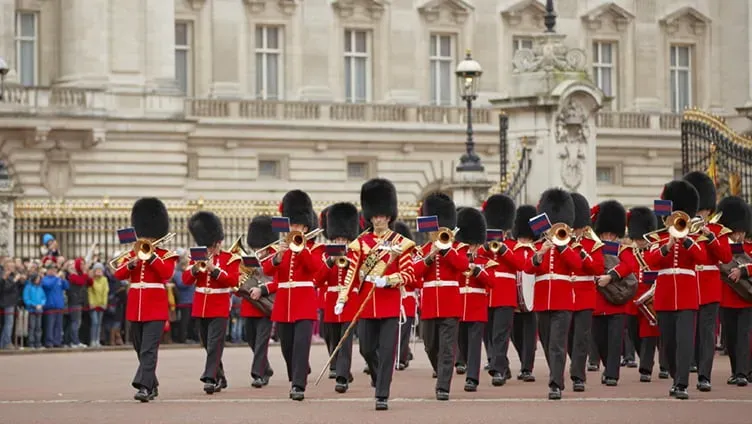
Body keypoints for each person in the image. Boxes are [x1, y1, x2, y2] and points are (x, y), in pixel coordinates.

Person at [334, 178, 416, 411]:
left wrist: (388, 280)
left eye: (382, 215)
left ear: (389, 216)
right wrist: (342, 298)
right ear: (369, 216)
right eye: (375, 215)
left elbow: (409, 274)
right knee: (366, 349)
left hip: (389, 304)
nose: (378, 219)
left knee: (388, 350)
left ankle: (382, 393)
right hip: (366, 306)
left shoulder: (402, 243)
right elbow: (351, 274)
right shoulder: (360, 244)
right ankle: (380, 378)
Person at [249, 190, 323, 401]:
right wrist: (278, 257)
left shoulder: (315, 248)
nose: (294, 229)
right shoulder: (278, 248)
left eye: (298, 226)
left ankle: (298, 385)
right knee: (287, 347)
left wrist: (301, 250)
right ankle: (297, 374)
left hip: (304, 302)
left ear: (306, 227)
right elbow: (268, 271)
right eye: (292, 225)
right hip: (283, 304)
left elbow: (315, 268)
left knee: (301, 345)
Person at [643, 180, 706, 399]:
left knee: (685, 340)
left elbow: (702, 257)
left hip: (687, 295)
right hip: (666, 295)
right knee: (668, 343)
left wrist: (686, 240)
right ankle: (674, 375)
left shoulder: (694, 237)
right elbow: (650, 260)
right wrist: (668, 245)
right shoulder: (659, 237)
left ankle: (682, 383)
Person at [112, 197, 178, 403]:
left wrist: (151, 257)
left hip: (155, 308)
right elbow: (118, 275)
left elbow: (166, 274)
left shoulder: (166, 254)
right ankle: (153, 383)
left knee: (149, 349)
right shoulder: (131, 253)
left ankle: (144, 387)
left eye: (150, 235)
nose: (146, 239)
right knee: (140, 348)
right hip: (135, 307)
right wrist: (131, 264)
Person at [524, 188, 581, 400]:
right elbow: (527, 267)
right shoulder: (539, 245)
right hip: (542, 302)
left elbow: (577, 264)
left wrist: (561, 247)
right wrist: (540, 253)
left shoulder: (569, 245)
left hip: (563, 300)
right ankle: (556, 374)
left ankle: (555, 384)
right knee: (548, 344)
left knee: (557, 344)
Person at [412, 192, 468, 401]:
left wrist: (445, 250)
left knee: (447, 347)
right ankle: (441, 370)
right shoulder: (423, 249)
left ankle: (443, 385)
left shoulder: (456, 248)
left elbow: (463, 266)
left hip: (450, 302)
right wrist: (430, 255)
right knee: (429, 344)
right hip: (429, 304)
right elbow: (415, 273)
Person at [683, 171, 732, 391]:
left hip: (710, 286)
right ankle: (685, 369)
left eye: (703, 210)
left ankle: (705, 376)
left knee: (707, 334)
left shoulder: (718, 231)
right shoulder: (684, 230)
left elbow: (726, 257)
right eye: (697, 209)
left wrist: (709, 236)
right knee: (688, 332)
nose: (700, 213)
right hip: (690, 286)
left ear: (709, 210)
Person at [183, 211, 240, 394]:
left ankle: (210, 378)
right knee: (208, 344)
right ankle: (220, 376)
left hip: (220, 305)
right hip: (201, 305)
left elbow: (233, 281)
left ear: (218, 242)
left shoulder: (230, 258)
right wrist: (194, 268)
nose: (209, 249)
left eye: (211, 245)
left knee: (215, 344)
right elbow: (185, 280)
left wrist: (214, 269)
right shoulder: (196, 258)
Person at [454, 207, 498, 392]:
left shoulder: (485, 259)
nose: (470, 247)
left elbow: (492, 281)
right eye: (468, 243)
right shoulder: (456, 258)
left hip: (477, 306)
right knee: (462, 344)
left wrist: (478, 269)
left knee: (474, 345)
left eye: (473, 244)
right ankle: (461, 363)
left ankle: (472, 378)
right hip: (459, 305)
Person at [592, 200, 635, 386]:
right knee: (600, 340)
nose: (608, 236)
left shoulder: (622, 249)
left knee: (615, 340)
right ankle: (607, 365)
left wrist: (610, 276)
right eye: (604, 233)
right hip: (598, 302)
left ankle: (612, 374)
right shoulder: (594, 248)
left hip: (617, 301)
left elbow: (630, 265)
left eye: (610, 234)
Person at [318, 202, 360, 393]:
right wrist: (329, 262)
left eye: (344, 237)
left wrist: (349, 260)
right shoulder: (325, 253)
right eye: (337, 238)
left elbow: (361, 277)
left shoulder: (356, 253)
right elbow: (317, 280)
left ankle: (342, 377)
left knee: (345, 338)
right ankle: (341, 368)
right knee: (332, 338)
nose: (340, 240)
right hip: (331, 301)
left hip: (350, 300)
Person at [479, 194, 520, 385]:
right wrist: (486, 248)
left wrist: (503, 250)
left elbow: (521, 264)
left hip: (505, 294)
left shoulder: (512, 245)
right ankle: (503, 366)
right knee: (488, 335)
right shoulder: (483, 247)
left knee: (500, 334)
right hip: (486, 294)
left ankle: (498, 371)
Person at [567, 193, 605, 392]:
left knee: (581, 337)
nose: (575, 230)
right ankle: (575, 363)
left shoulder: (593, 244)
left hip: (584, 294)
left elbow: (598, 269)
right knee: (567, 337)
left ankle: (578, 375)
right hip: (566, 293)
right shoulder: (562, 240)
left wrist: (583, 254)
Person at [716, 196, 751, 386]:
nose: (739, 236)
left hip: (746, 298)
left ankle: (742, 373)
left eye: (741, 232)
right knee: (730, 338)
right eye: (735, 232)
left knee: (744, 337)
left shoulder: (749, 248)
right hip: (726, 298)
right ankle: (735, 370)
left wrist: (744, 270)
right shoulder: (722, 248)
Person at [624, 207, 663, 382]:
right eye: (637, 239)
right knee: (634, 333)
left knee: (649, 334)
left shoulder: (655, 251)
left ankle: (646, 368)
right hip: (633, 300)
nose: (640, 242)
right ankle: (644, 359)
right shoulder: (629, 253)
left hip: (650, 298)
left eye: (642, 238)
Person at [241, 215, 276, 388]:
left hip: (267, 304)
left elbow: (279, 281)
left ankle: (258, 374)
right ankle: (266, 368)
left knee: (262, 341)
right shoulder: (248, 258)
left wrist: (262, 289)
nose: (257, 249)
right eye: (254, 246)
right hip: (250, 304)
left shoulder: (275, 257)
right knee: (250, 338)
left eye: (259, 246)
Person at [509, 204, 539, 382]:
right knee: (516, 335)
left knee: (530, 336)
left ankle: (527, 367)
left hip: (532, 299)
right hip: (514, 299)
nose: (525, 239)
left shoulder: (537, 250)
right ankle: (523, 361)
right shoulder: (512, 250)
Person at [394, 221, 418, 371]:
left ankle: (402, 357)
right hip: (392, 297)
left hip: (407, 298)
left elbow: (417, 281)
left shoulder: (412, 256)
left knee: (403, 332)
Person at [88, 263, 110, 347]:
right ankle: (92, 340)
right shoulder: (92, 279)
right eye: (97, 270)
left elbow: (105, 291)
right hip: (94, 304)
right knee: (95, 322)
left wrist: (104, 303)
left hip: (101, 304)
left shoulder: (104, 279)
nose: (99, 271)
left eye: (100, 270)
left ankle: (97, 340)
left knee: (99, 323)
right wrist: (91, 303)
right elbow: (90, 292)